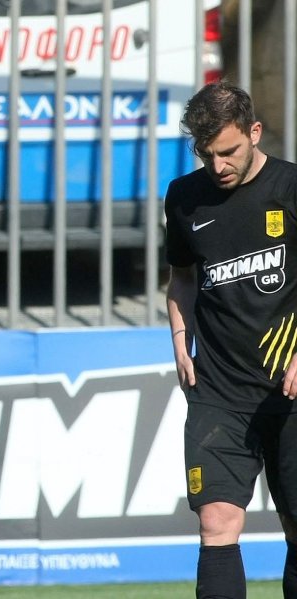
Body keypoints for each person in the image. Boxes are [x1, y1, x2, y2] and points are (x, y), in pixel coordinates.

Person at [166, 81, 297, 599]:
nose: (217, 165)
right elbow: (181, 277)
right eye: (206, 155)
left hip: (288, 392)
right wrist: (180, 337)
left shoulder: (290, 188)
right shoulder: (183, 197)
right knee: (216, 522)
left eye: (228, 151)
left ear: (254, 132)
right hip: (218, 390)